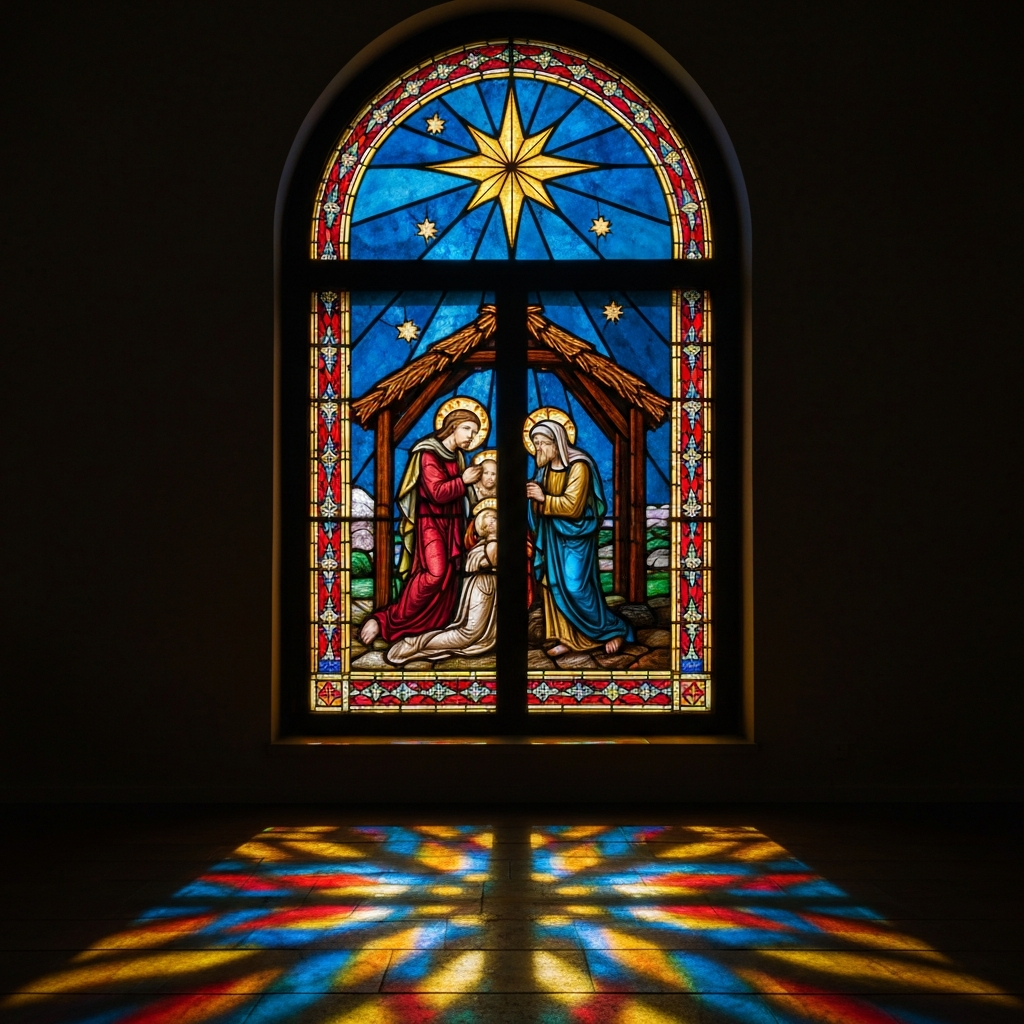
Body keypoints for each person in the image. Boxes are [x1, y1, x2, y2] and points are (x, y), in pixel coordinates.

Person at [359, 409, 483, 645]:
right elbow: (437, 493)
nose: (471, 436)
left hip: (453, 524)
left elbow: (462, 495)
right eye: (467, 428)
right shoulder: (428, 453)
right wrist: (463, 481)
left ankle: (429, 627)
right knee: (434, 575)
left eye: (475, 432)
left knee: (447, 579)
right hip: (431, 524)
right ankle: (385, 620)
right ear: (452, 426)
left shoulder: (457, 457)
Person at [526, 418, 632, 656]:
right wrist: (533, 502)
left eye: (543, 443)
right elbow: (537, 510)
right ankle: (567, 638)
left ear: (558, 443)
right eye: (536, 443)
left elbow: (573, 506)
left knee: (575, 587)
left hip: (576, 537)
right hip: (552, 537)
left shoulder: (579, 466)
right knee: (553, 586)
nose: (538, 449)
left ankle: (610, 630)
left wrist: (542, 498)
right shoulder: (543, 470)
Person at [385, 505, 497, 664]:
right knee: (467, 634)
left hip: (479, 586)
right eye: (494, 519)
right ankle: (415, 643)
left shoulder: (487, 545)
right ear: (488, 527)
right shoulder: (493, 545)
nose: (498, 521)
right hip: (484, 588)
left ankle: (418, 644)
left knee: (468, 633)